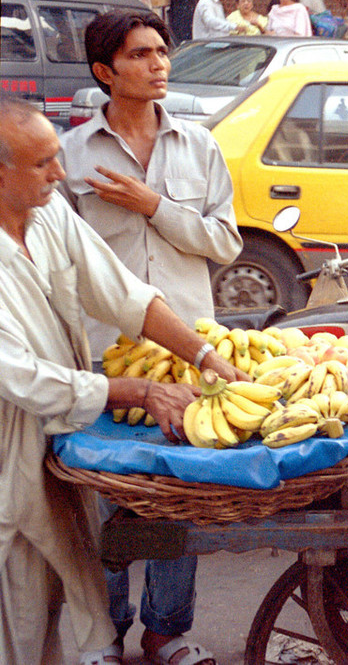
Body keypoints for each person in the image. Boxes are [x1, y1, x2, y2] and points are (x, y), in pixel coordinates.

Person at [0, 95, 242, 665]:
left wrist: (206, 356)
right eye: (42, 164)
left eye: (58, 157)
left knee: (72, 591)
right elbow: (21, 376)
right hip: (9, 440)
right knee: (20, 610)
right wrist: (138, 390)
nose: (60, 174)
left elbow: (124, 296)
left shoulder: (49, 213)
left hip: (57, 434)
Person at [61, 9, 242, 665]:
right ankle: (104, 632)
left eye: (162, 51)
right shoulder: (71, 155)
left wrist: (154, 206)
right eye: (141, 54)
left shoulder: (201, 146)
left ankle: (166, 629)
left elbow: (225, 241)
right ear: (106, 72)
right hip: (103, 348)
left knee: (176, 486)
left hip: (187, 343)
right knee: (106, 492)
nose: (159, 63)